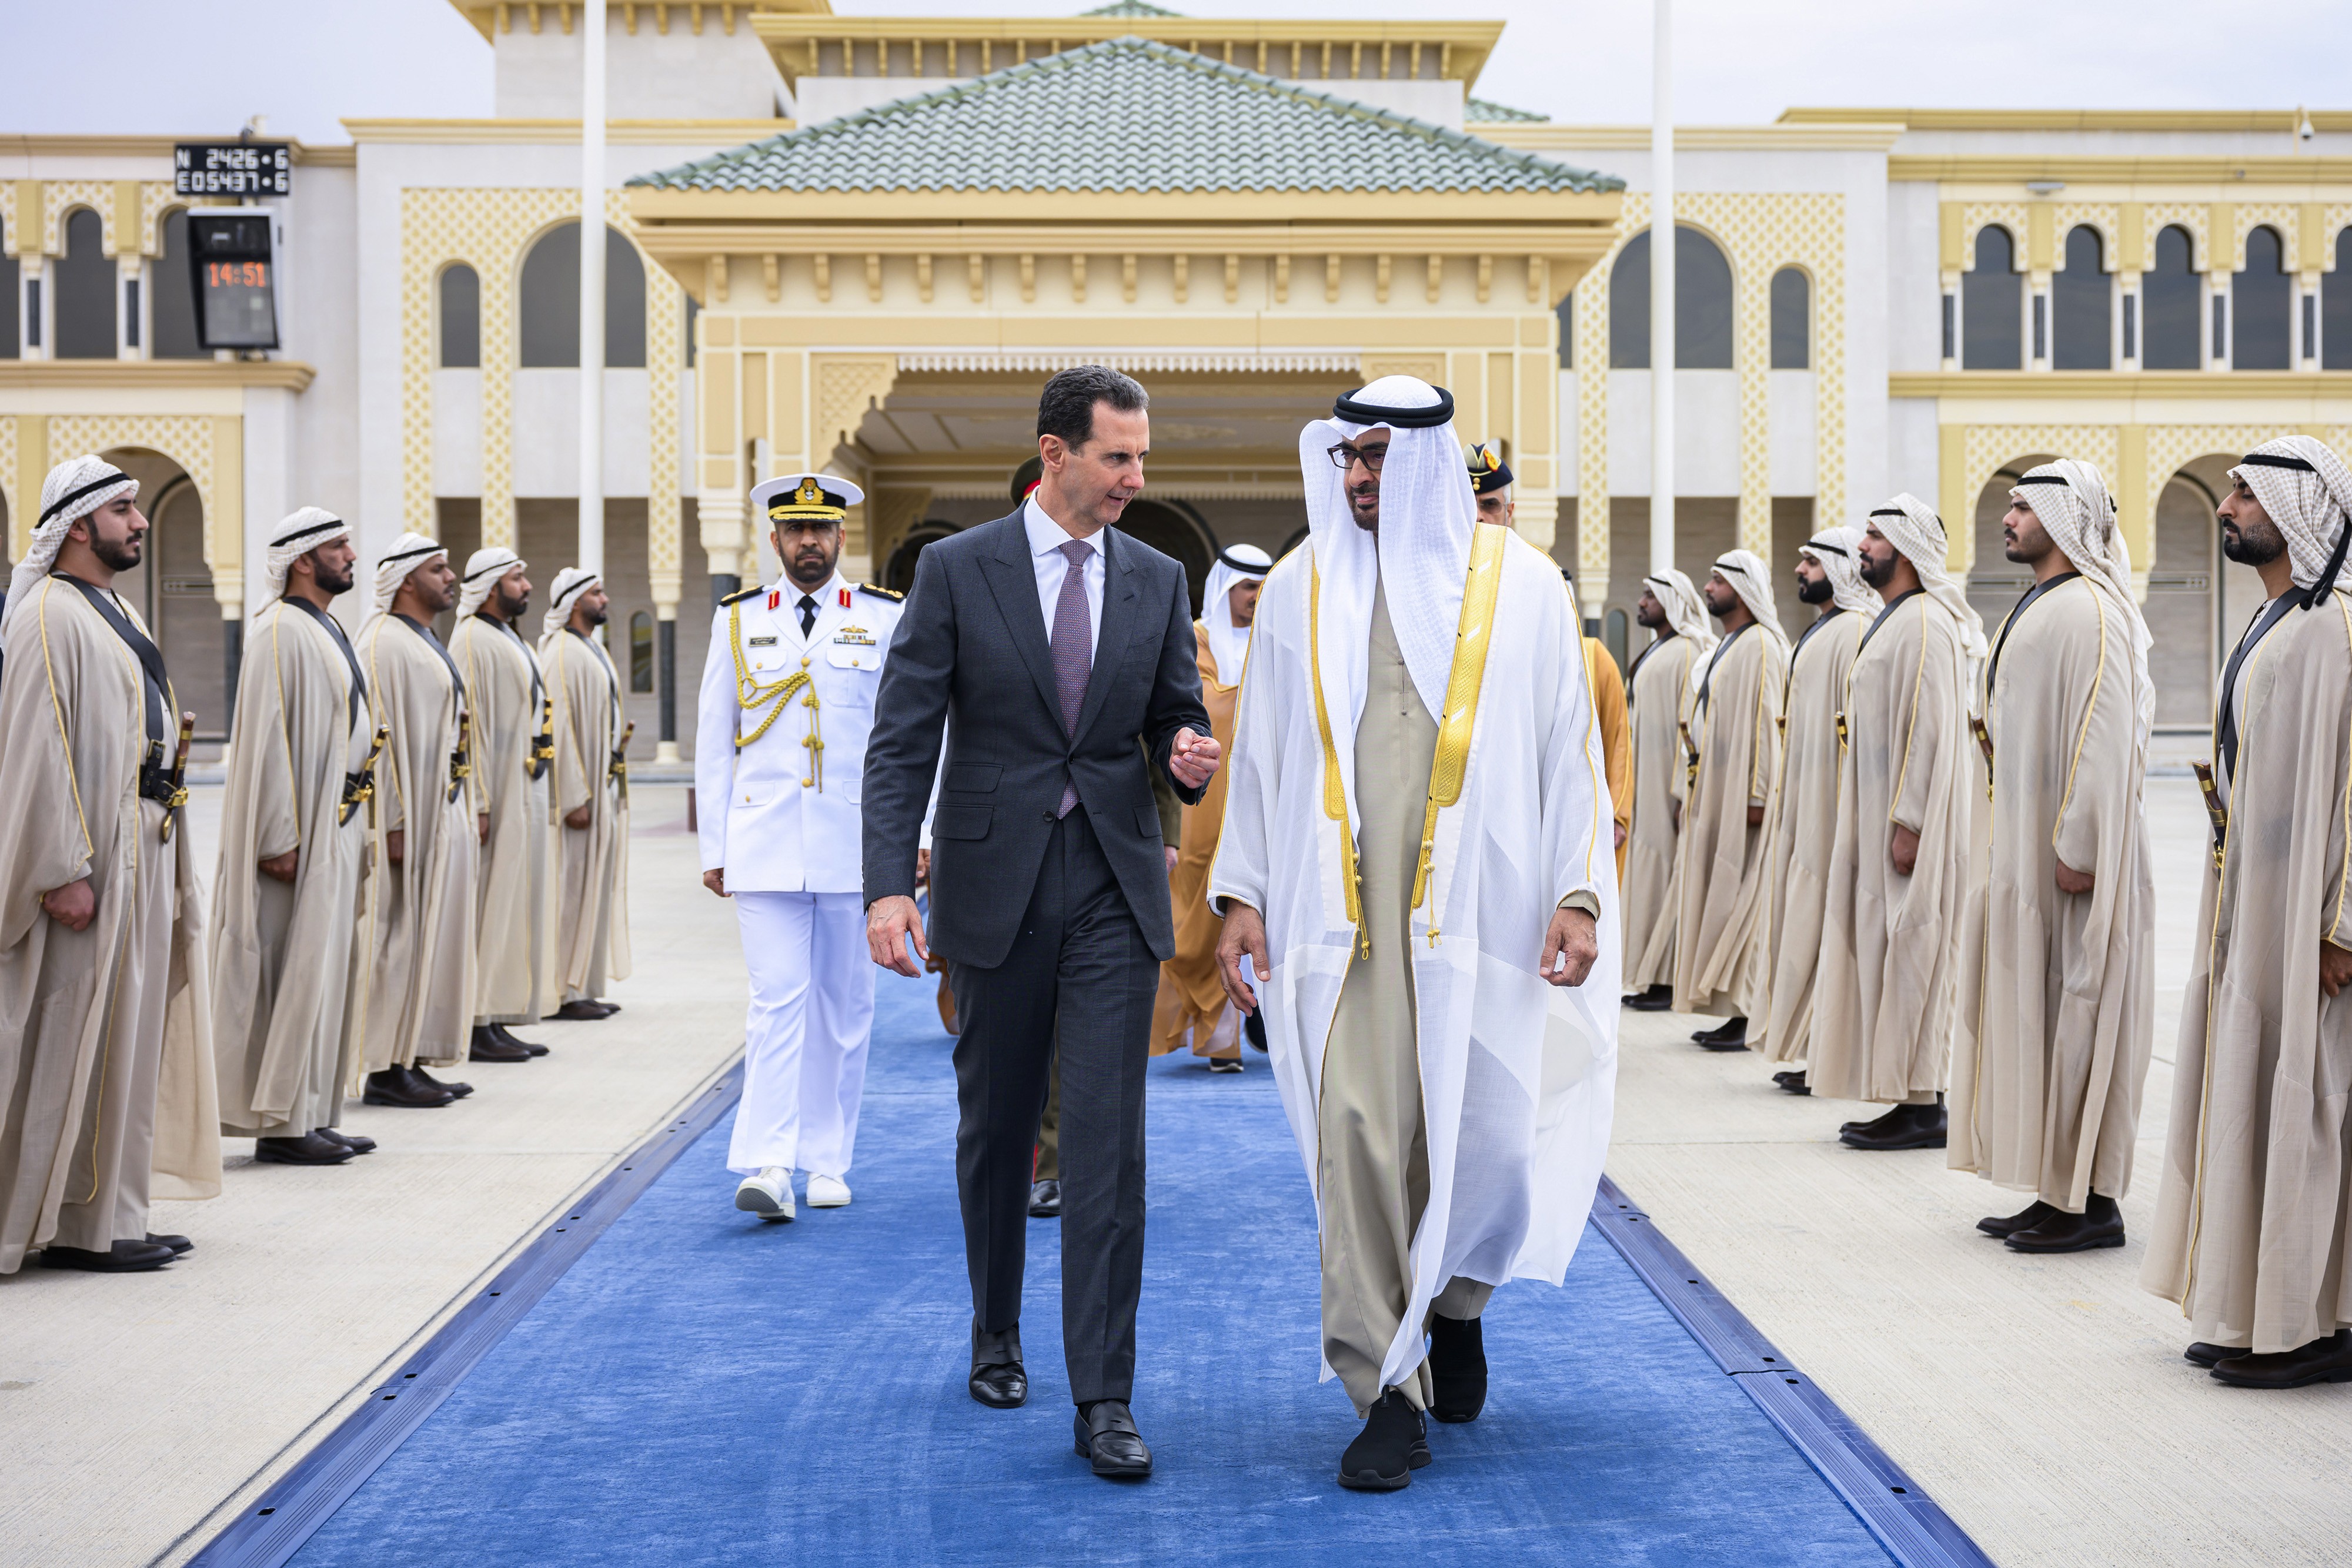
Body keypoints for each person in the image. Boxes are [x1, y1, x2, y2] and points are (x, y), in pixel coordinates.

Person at [1211, 377, 1616, 1492]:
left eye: (1380, 459)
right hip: (1340, 935)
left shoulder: (1528, 592)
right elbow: (1262, 760)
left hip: (1484, 919)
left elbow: (1569, 753)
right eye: (1347, 458)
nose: (1356, 479)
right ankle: (1381, 1384)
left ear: (1432, 464)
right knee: (1361, 1146)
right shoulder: (1297, 591)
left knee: (1486, 1140)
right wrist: (1241, 889)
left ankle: (1459, 1299)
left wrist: (1580, 894)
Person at [862, 365, 1219, 1481]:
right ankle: (995, 1328)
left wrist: (1187, 754)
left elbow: (1174, 714)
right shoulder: (959, 573)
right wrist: (886, 885)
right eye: (1118, 457)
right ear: (1055, 453)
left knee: (1111, 1144)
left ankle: (1105, 1394)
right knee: (998, 1127)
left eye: (1143, 457)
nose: (1136, 478)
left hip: (1113, 882)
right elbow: (902, 737)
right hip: (991, 883)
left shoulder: (1160, 579)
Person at [2143, 435, 2352, 1388]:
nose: (2226, 507)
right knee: (2259, 1102)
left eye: (2244, 494)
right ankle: (2265, 1307)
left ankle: (2317, 1323)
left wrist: (2344, 924)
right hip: (2252, 908)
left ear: (2299, 510)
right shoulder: (2277, 621)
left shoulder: (2339, 629)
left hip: (2313, 924)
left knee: (2315, 1113)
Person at [0, 456, 220, 1274]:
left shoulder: (108, 608)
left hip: (139, 847)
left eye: (136, 507)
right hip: (88, 862)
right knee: (71, 1037)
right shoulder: (50, 615)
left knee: (123, 1040)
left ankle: (110, 1215)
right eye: (125, 509)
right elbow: (34, 748)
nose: (140, 520)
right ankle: (60, 1220)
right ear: (79, 522)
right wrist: (60, 867)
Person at [1949, 460, 2154, 1252]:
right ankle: (2052, 1188)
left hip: (2075, 870)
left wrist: (2079, 843)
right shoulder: (2042, 605)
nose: (2008, 515)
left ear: (2065, 517)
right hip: (2030, 859)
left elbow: (2108, 735)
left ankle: (2091, 1202)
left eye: (2024, 505)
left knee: (2081, 1020)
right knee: (2042, 1019)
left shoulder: (2096, 611)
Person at [697, 476, 901, 1221]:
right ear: (775, 539)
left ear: (841, 537)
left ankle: (827, 1160)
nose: (808, 542)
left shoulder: (879, 618)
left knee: (845, 1005)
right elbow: (714, 739)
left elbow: (911, 743)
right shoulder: (738, 620)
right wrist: (713, 844)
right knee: (775, 1001)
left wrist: (917, 838)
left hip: (855, 844)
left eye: (821, 530)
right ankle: (770, 1162)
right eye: (794, 531)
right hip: (764, 840)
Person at [1809, 496, 1986, 1151]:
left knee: (1915, 954)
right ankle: (1904, 1095)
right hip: (1877, 816)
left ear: (1907, 550)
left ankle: (1924, 1102)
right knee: (1889, 955)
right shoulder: (1895, 620)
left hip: (1906, 826)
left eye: (1876, 537)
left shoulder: (1923, 623)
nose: (1863, 547)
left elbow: (1930, 728)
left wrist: (1909, 818)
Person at [211, 509, 377, 1166]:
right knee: (294, 970)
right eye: (338, 546)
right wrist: (279, 834)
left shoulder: (324, 625)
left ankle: (309, 1110)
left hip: (335, 821)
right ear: (303, 560)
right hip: (300, 833)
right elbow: (270, 737)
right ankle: (280, 1124)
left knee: (324, 972)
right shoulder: (279, 629)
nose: (350, 554)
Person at [1464, 443, 1632, 876]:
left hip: (1526, 806)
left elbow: (1600, 740)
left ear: (1510, 512)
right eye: (1469, 505)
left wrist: (1614, 814)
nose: (1479, 517)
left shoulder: (1538, 593)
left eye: (1490, 505)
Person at [353, 533, 479, 1109]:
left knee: (431, 937)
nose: (450, 577)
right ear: (406, 581)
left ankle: (412, 1054)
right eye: (438, 569)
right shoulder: (382, 642)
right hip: (411, 818)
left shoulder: (423, 639)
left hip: (442, 805)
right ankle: (385, 1066)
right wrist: (396, 820)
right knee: (398, 940)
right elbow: (376, 737)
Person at [1755, 527, 1878, 1090]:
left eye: (1811, 561)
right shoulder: (1825, 630)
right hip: (1805, 805)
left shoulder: (1855, 630)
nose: (1800, 569)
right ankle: (1815, 1051)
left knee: (1829, 928)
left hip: (1832, 809)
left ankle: (1832, 1058)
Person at [1150, 541, 1272, 1074]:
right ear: (1225, 589)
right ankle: (1211, 1031)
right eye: (1247, 587)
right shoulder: (1193, 641)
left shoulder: (1277, 641)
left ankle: (1246, 1033)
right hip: (1204, 803)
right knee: (1201, 914)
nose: (1255, 598)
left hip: (1266, 796)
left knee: (1262, 904)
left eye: (1263, 588)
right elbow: (1190, 711)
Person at [1670, 551, 1789, 1050]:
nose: (1709, 586)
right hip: (1720, 792)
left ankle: (1744, 1010)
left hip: (1746, 799)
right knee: (1725, 902)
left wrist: (1758, 793)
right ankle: (1732, 1007)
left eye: (1718, 579)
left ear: (1741, 589)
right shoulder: (1733, 645)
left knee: (1746, 905)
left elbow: (1766, 722)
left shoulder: (1760, 645)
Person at [450, 548, 555, 1063]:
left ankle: (496, 1015)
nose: (527, 584)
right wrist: (482, 802)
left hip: (520, 788)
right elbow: (471, 728)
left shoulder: (506, 636)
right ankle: (474, 1020)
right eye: (518, 577)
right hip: (495, 793)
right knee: (488, 908)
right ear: (492, 586)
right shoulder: (471, 638)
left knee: (510, 905)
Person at [542, 569, 632, 1022]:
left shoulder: (590, 648)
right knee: (570, 892)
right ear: (575, 602)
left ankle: (582, 986)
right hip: (580, 799)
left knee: (592, 889)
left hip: (603, 787)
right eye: (597, 592)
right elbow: (556, 726)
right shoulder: (559, 652)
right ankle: (561, 989)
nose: (605, 597)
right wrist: (572, 794)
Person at [1622, 569, 1711, 1011]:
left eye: (1650, 596)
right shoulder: (1659, 649)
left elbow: (1689, 725)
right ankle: (1648, 974)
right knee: (1647, 874)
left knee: (1667, 873)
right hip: (1645, 782)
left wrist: (1682, 790)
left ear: (1672, 602)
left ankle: (1667, 978)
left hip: (1668, 789)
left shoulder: (1691, 649)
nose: (1642, 602)